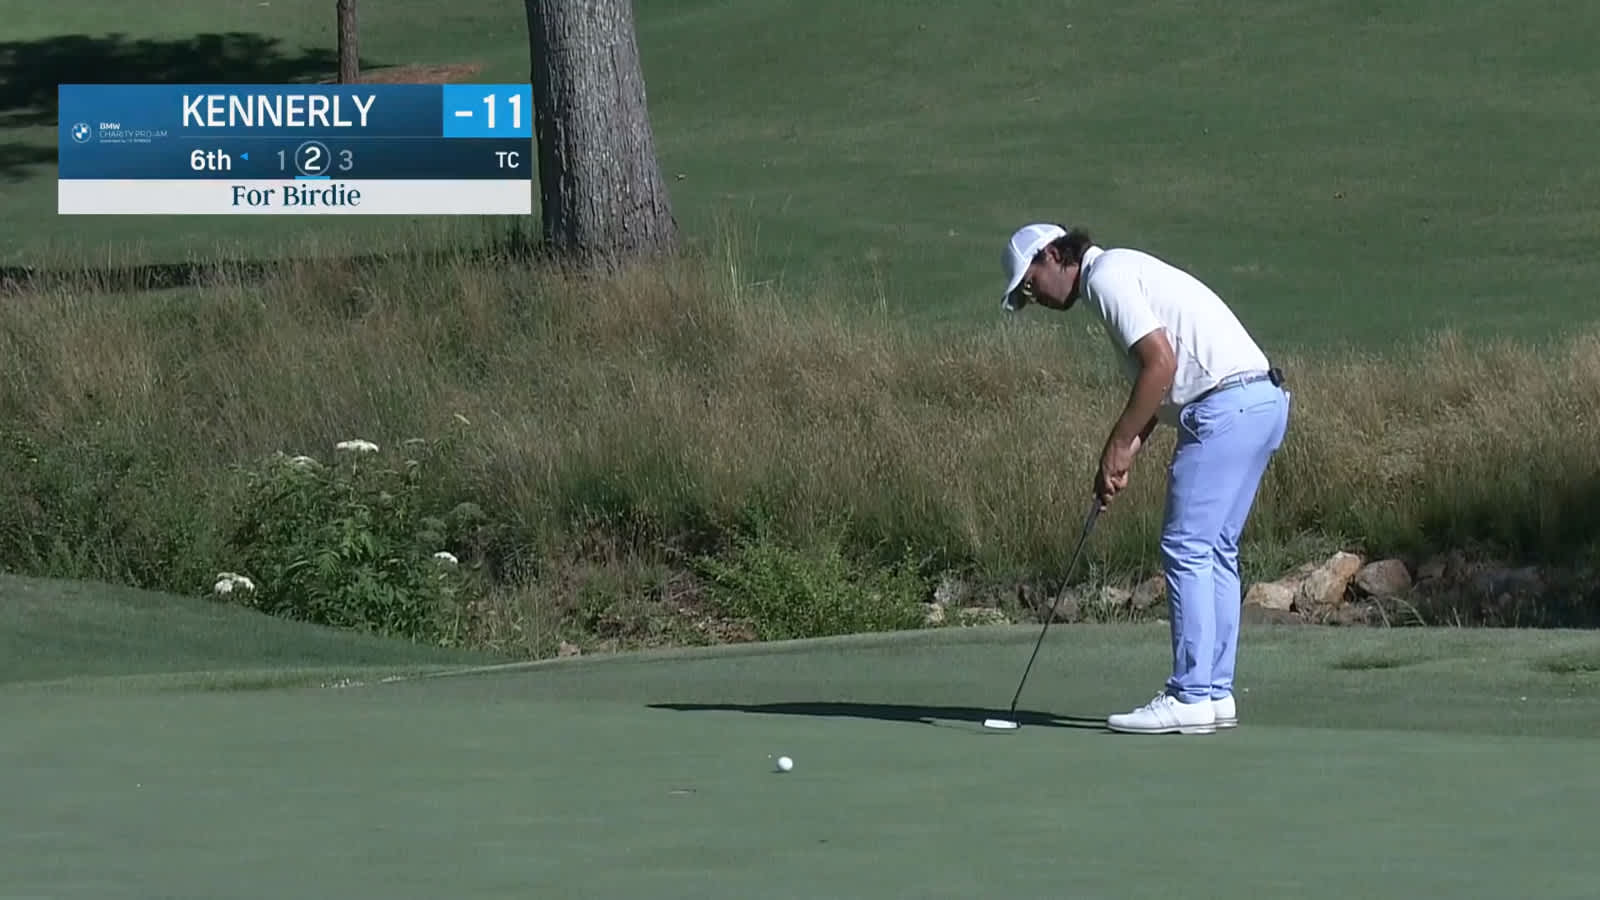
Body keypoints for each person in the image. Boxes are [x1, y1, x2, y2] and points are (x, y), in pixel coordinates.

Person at [999, 222, 1291, 735]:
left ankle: (1189, 694)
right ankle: (1215, 691)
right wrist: (1127, 452)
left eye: (1030, 285)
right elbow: (1154, 390)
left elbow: (1160, 365)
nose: (1034, 299)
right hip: (1261, 402)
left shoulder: (1106, 278)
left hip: (1225, 407)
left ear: (1052, 255)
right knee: (1216, 548)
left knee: (1186, 547)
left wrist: (1114, 444)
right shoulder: (1121, 271)